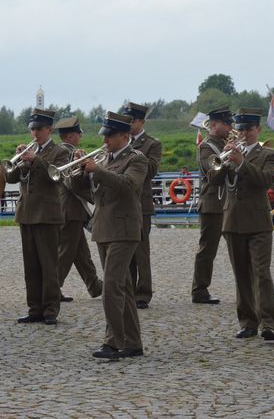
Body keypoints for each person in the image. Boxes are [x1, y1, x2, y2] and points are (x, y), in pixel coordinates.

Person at [70, 112, 148, 359]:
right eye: (105, 135)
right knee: (122, 286)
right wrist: (79, 170)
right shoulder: (103, 159)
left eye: (111, 136)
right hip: (104, 228)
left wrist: (97, 170)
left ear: (125, 136)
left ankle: (113, 342)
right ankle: (133, 343)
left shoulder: (137, 159)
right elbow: (81, 191)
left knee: (112, 286)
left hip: (124, 229)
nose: (106, 140)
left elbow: (128, 185)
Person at [213, 108, 274, 341]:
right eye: (240, 129)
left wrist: (241, 163)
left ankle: (268, 324)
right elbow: (213, 179)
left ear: (258, 130)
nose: (244, 133)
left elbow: (265, 181)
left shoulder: (269, 154)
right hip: (233, 221)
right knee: (241, 275)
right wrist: (224, 158)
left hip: (258, 222)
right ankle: (248, 322)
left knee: (261, 274)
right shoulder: (230, 152)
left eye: (248, 129)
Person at [6, 108, 68, 325]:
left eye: (39, 129)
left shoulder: (59, 151)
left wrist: (36, 160)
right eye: (32, 129)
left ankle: (51, 310)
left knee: (49, 265)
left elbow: (57, 176)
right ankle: (34, 308)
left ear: (49, 129)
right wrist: (18, 160)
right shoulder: (28, 151)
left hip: (47, 215)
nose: (35, 133)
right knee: (30, 266)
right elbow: (11, 176)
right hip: (27, 214)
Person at [54, 116, 103, 302]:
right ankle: (52, 288)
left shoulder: (61, 151)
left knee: (81, 252)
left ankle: (94, 285)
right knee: (66, 252)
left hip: (71, 209)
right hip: (70, 209)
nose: (80, 137)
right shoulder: (67, 153)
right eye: (78, 134)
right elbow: (71, 182)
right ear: (72, 136)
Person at [191, 106, 233, 304]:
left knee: (247, 246)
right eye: (227, 124)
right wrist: (228, 158)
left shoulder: (229, 143)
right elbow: (213, 175)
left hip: (233, 203)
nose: (231, 127)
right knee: (208, 250)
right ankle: (200, 290)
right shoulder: (206, 147)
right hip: (213, 204)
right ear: (214, 125)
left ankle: (258, 286)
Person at [124, 102, 161, 309]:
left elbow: (152, 169)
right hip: (123, 203)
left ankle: (143, 293)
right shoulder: (122, 142)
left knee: (141, 250)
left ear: (141, 122)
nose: (129, 125)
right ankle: (127, 288)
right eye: (127, 121)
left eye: (132, 121)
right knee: (125, 248)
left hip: (142, 203)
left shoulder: (152, 144)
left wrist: (131, 153)